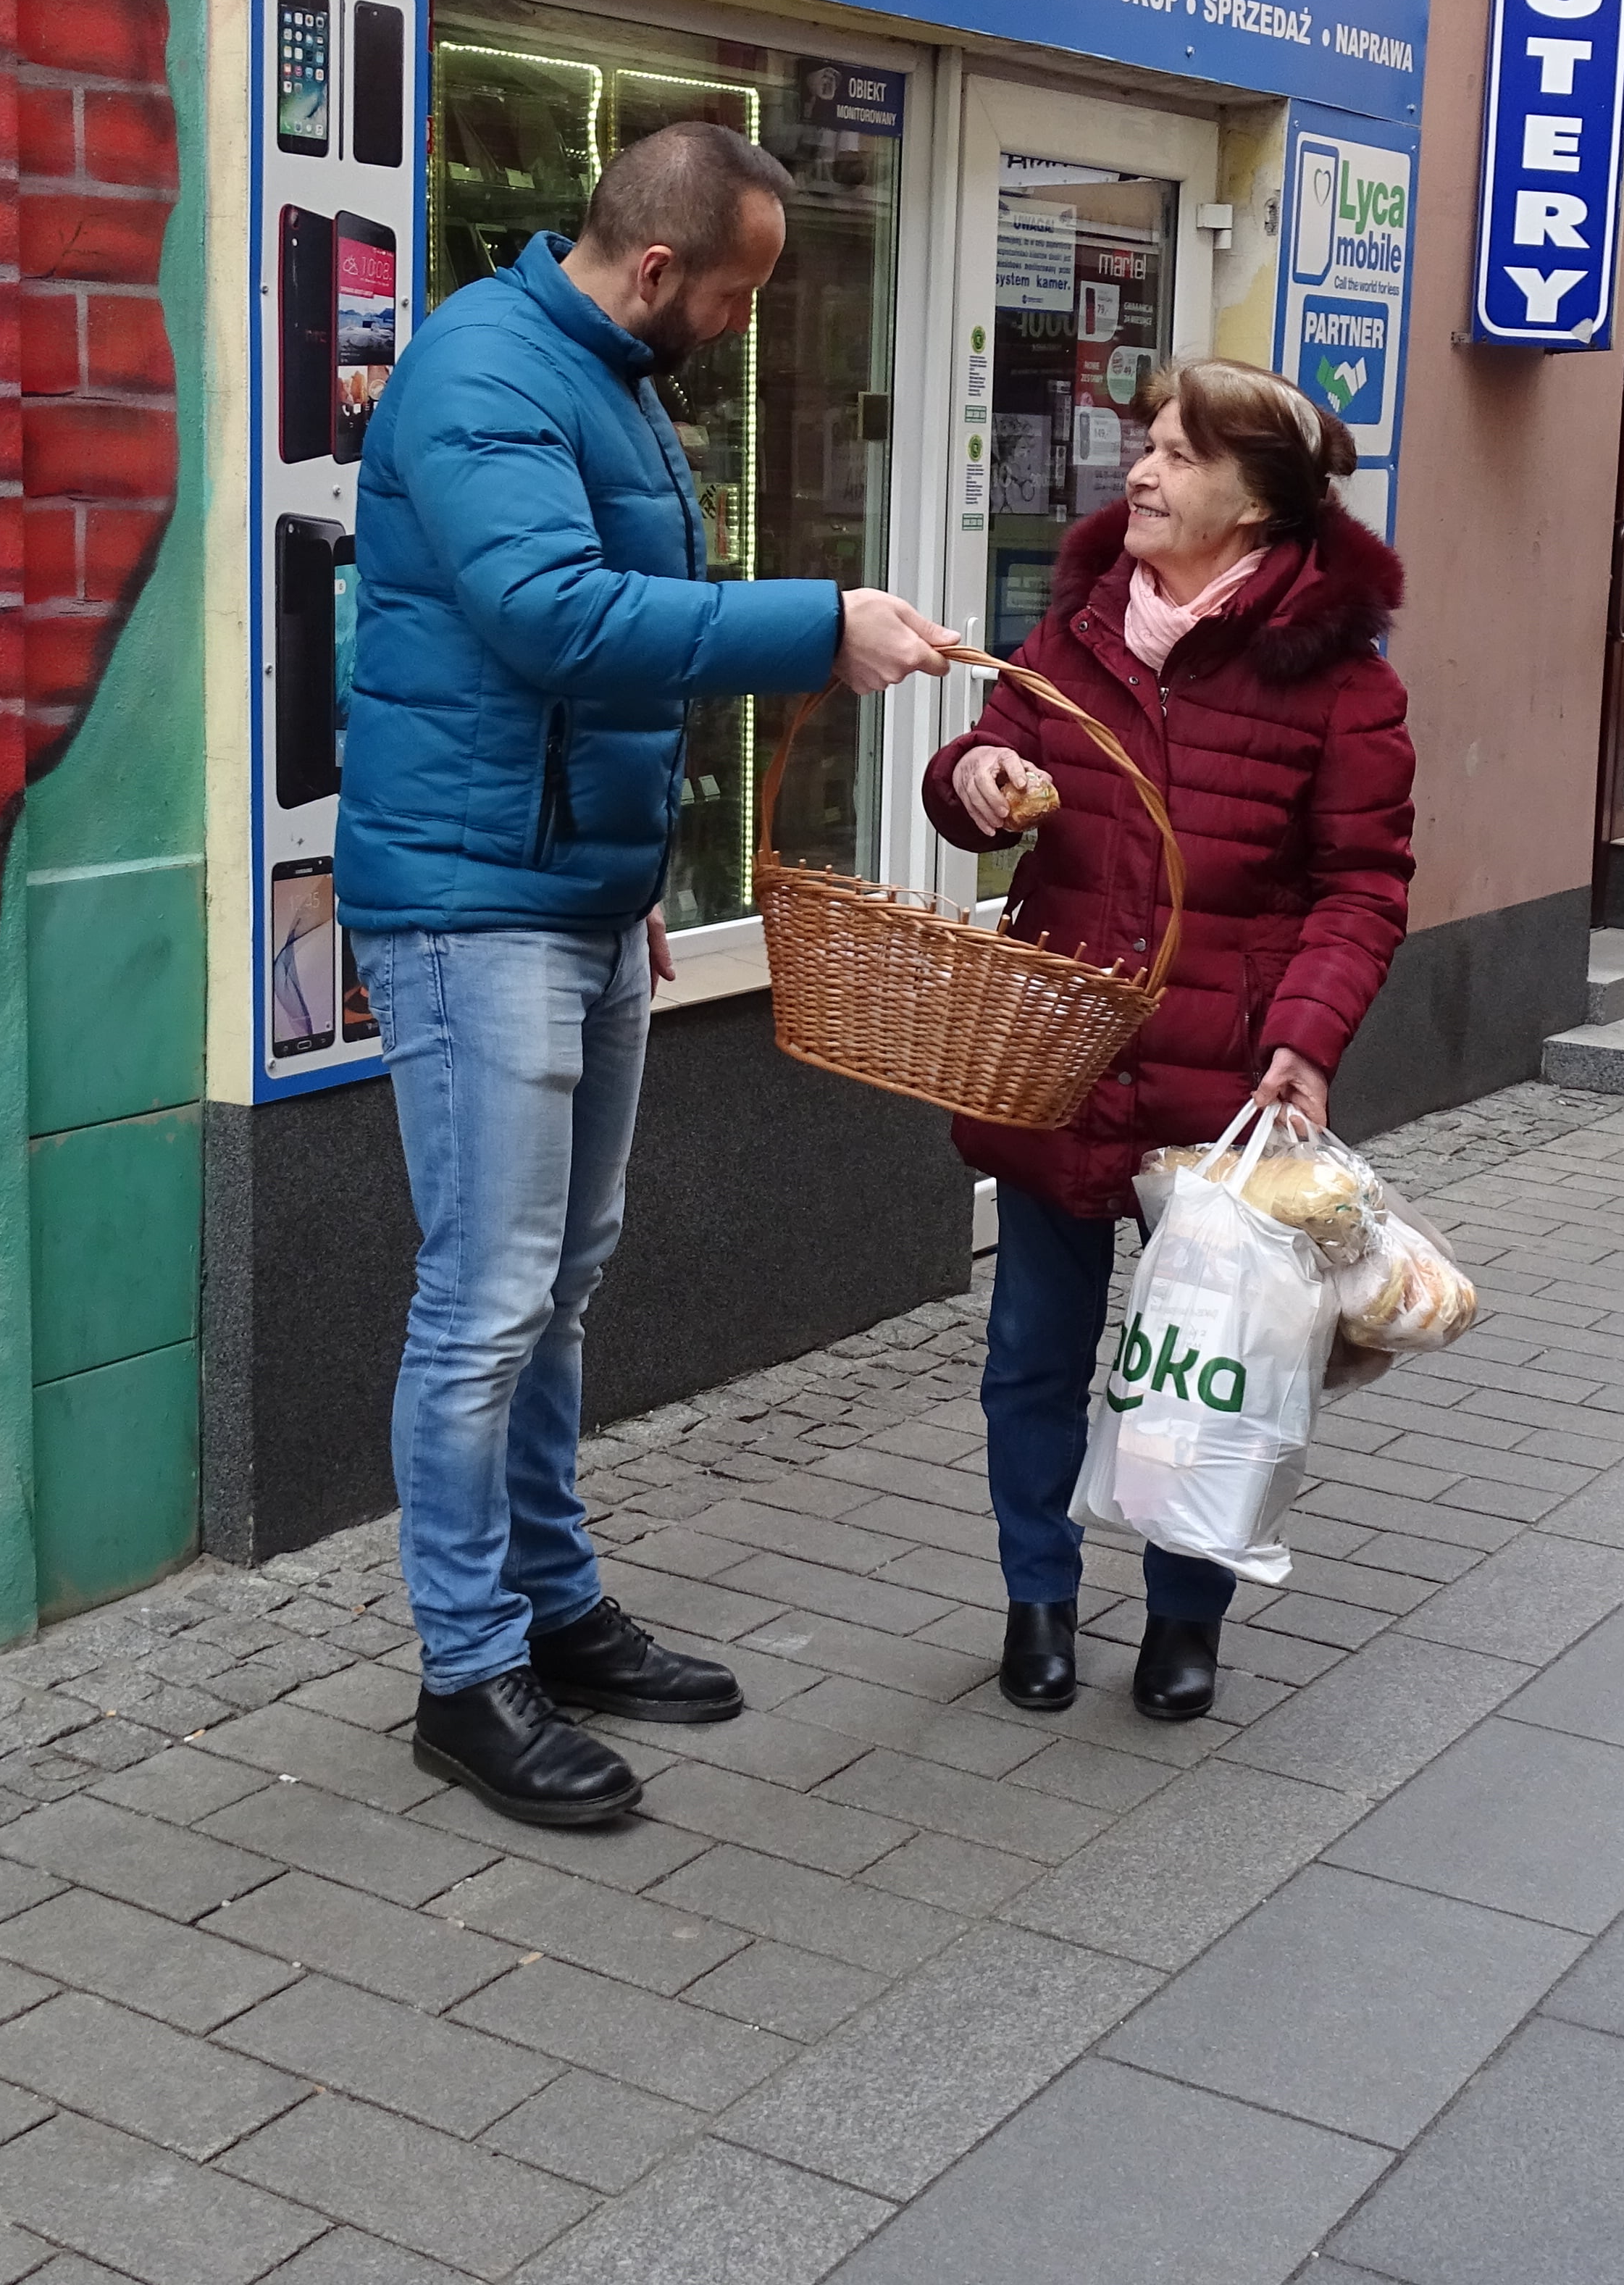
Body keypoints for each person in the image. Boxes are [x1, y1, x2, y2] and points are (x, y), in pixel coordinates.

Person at [339, 120, 960, 1826]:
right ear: (663, 266)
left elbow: (591, 660)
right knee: (484, 1300)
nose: (746, 326)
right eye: (742, 294)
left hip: (571, 899)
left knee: (560, 1280)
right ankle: (467, 1674)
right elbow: (558, 620)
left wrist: (624, 886)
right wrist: (817, 624)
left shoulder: (603, 373)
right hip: (472, 911)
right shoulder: (484, 368)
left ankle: (553, 1607)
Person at [923, 362, 1415, 1723]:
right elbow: (977, 764)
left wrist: (1306, 1035)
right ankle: (1036, 1597)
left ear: (1256, 502)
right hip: (1058, 1054)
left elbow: (1362, 885)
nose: (1140, 472)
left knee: (1209, 1361)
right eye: (1146, 446)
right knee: (1032, 1351)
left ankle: (1185, 1614)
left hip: (1225, 1079)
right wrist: (974, 781)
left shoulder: (1339, 678)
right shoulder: (1078, 625)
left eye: (1180, 455)